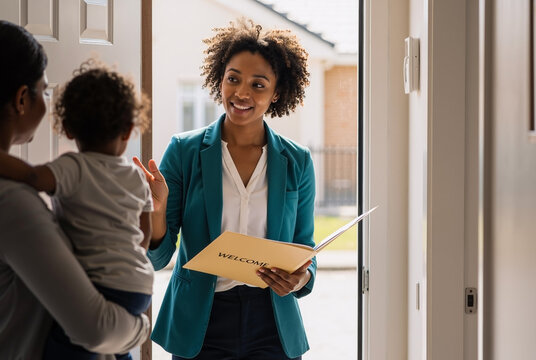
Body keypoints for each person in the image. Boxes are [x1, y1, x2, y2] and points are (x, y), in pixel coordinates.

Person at [134, 18, 316, 359]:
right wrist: (156, 211)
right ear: (220, 79)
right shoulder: (184, 151)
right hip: (202, 322)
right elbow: (159, 256)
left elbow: (304, 246)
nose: (242, 93)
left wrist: (301, 279)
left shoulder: (298, 161)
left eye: (258, 85)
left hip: (272, 322)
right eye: (233, 79)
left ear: (277, 92)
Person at [0, 20, 150, 359]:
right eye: (46, 91)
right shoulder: (13, 203)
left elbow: (34, 176)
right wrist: (141, 329)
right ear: (22, 99)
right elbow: (97, 331)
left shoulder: (68, 170)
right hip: (136, 288)